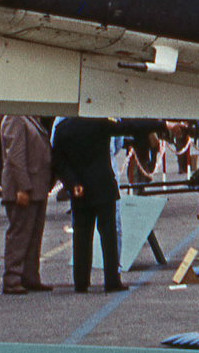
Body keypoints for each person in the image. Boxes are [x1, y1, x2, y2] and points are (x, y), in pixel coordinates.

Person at [53, 117, 161, 293]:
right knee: (109, 235)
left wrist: (72, 183)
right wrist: (162, 125)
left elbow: (58, 161)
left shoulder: (63, 128)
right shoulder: (100, 123)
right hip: (103, 187)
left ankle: (81, 282)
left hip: (79, 190)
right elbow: (130, 126)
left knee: (81, 236)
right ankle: (111, 280)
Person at [0, 115, 52, 295]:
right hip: (24, 188)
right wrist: (23, 186)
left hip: (37, 186)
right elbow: (15, 156)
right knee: (19, 234)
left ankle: (30, 276)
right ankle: (12, 278)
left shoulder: (32, 118)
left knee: (34, 235)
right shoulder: (15, 118)